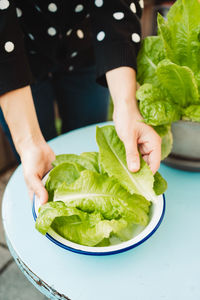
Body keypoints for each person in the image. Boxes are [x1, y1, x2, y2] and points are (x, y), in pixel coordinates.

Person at [0, 0, 161, 203]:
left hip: (86, 43)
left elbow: (116, 7)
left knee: (87, 137)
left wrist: (126, 105)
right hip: (15, 60)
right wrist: (28, 143)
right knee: (37, 159)